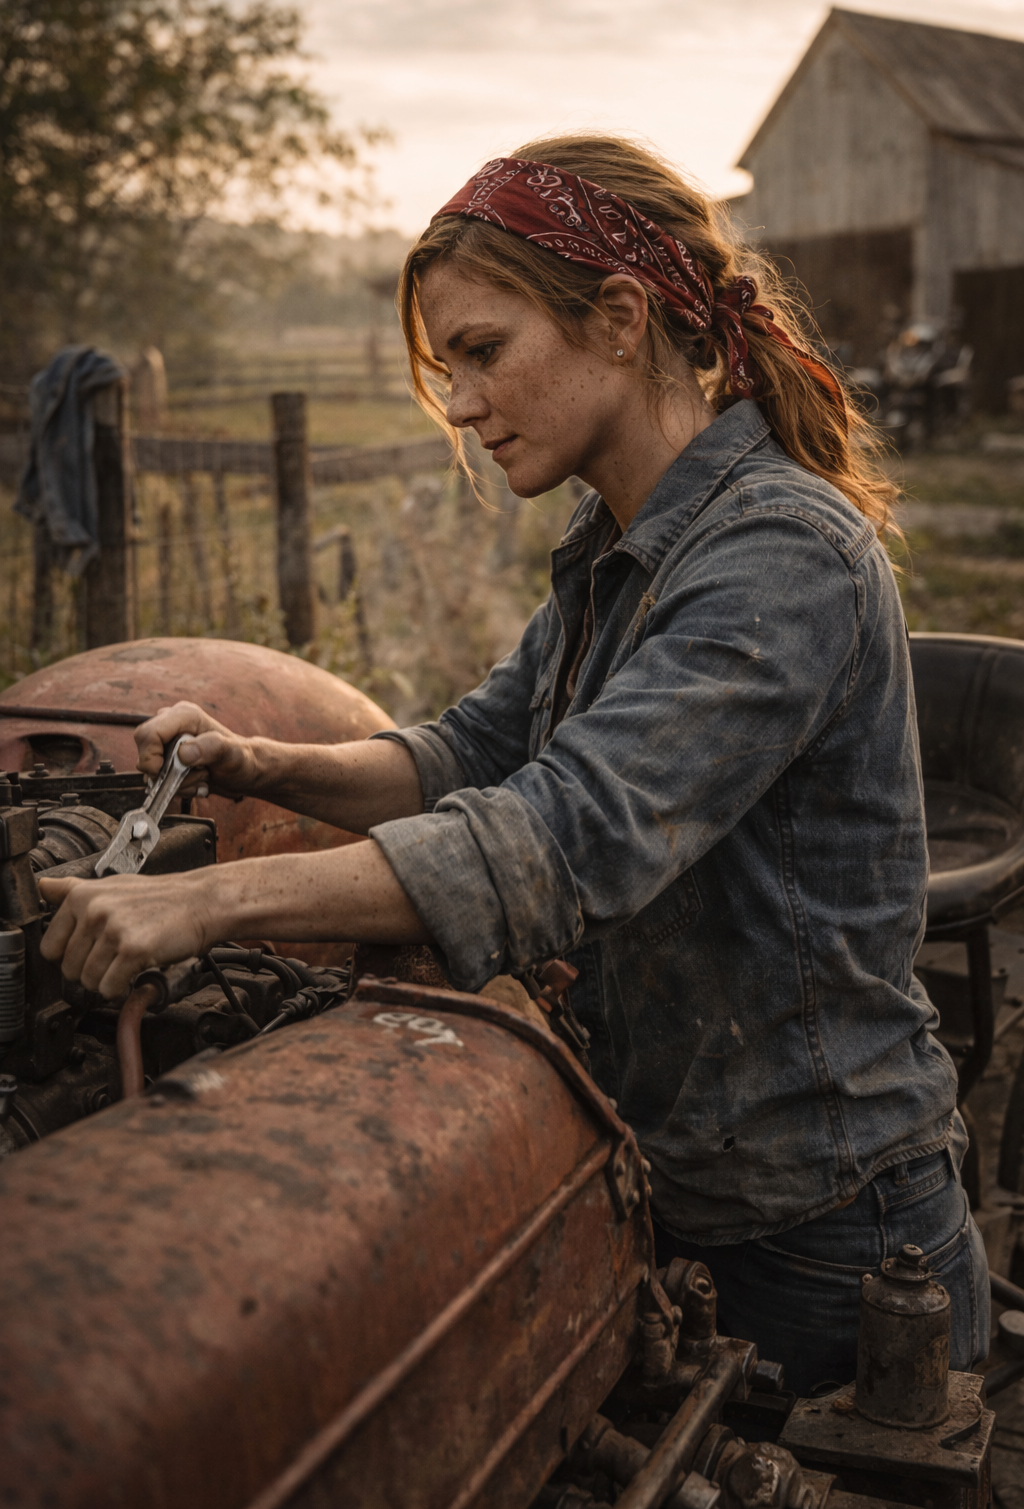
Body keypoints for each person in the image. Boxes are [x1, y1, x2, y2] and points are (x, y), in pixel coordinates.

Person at [38, 136, 988, 1394]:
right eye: (450, 369)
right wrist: (258, 759)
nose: (464, 405)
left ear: (619, 315)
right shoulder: (621, 540)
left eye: (484, 352)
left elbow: (556, 838)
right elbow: (473, 752)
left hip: (823, 1230)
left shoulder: (780, 555)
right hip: (666, 1173)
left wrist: (199, 901)